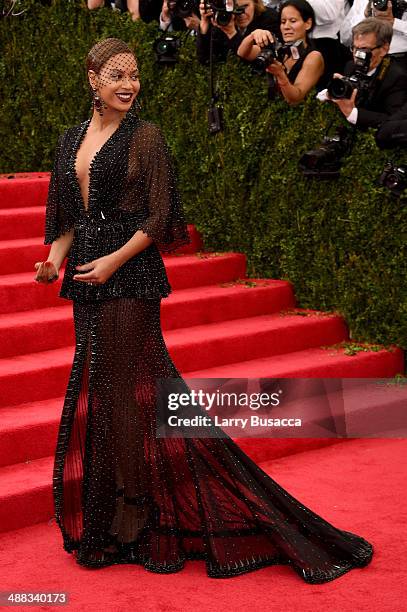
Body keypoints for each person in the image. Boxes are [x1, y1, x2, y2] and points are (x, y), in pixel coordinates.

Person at [35, 37, 373, 580]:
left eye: (135, 74)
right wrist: (54, 261)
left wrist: (113, 263)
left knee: (126, 391)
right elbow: (68, 215)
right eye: (117, 74)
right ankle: (124, 504)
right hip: (87, 283)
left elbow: (159, 216)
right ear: (92, 79)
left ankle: (136, 509)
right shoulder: (71, 140)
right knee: (106, 390)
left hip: (131, 279)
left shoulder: (146, 138)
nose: (129, 84)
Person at [319, 18, 407, 129]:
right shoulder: (350, 66)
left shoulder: (396, 77)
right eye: (355, 48)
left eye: (364, 49)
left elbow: (393, 122)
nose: (357, 55)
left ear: (384, 49)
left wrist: (353, 113)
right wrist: (333, 93)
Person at [238, 0, 325, 105]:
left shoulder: (314, 57)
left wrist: (280, 74)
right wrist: (253, 35)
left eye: (293, 21)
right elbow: (243, 53)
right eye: (283, 22)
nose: (286, 27)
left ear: (308, 24)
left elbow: (295, 99)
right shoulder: (278, 48)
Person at [196, 0, 280, 65]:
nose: (241, 13)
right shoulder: (222, 19)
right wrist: (204, 22)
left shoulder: (269, 18)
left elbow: (256, 63)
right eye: (235, 8)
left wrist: (232, 33)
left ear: (255, 3)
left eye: (245, 6)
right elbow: (204, 60)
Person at [340, 0, 407, 71]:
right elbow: (345, 38)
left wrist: (394, 22)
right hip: (362, 57)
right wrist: (365, 16)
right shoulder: (362, 1)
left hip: (400, 61)